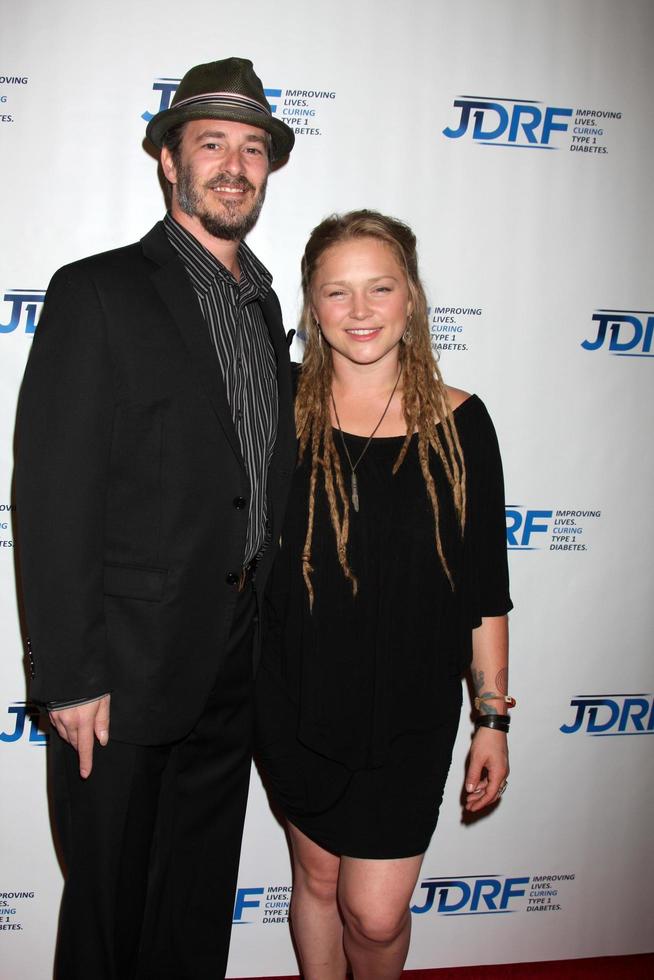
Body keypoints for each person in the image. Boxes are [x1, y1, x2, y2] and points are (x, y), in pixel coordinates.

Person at [14, 57, 297, 979]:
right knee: (109, 910)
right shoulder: (97, 291)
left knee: (197, 897)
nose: (233, 166)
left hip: (236, 666)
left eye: (253, 149)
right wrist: (70, 676)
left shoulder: (265, 306)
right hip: (123, 678)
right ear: (168, 162)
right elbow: (51, 496)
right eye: (210, 143)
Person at [255, 210, 513, 979]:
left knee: (375, 913)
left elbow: (485, 590)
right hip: (295, 699)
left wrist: (492, 718)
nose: (360, 311)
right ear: (312, 306)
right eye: (338, 292)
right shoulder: (279, 412)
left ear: (412, 299)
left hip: (409, 712)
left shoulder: (462, 424)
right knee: (319, 881)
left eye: (380, 288)